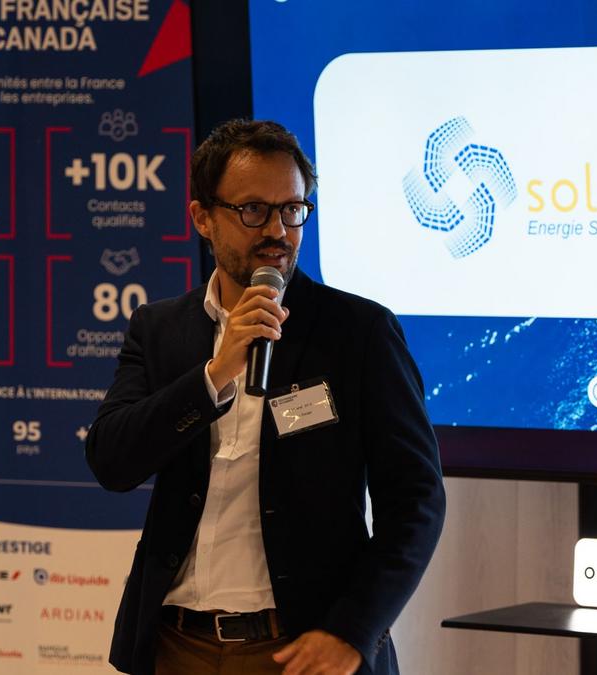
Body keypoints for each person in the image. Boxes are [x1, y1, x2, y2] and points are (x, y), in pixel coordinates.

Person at [85, 119, 446, 675]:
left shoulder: (358, 333)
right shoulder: (159, 329)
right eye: (253, 210)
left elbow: (416, 502)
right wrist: (215, 373)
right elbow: (112, 461)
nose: (277, 230)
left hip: (300, 649)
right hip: (177, 645)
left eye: (292, 210)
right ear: (202, 217)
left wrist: (355, 630)